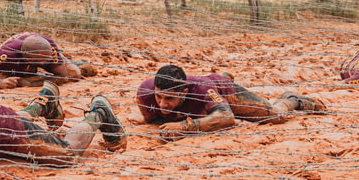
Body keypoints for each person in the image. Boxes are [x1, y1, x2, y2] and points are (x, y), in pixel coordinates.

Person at [136, 64, 326, 140]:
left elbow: (227, 118)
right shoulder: (145, 93)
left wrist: (185, 127)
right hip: (204, 101)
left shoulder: (202, 90)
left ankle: (292, 99)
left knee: (275, 115)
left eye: (169, 98)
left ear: (185, 93)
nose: (161, 104)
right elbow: (153, 122)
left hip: (223, 91)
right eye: (158, 97)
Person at [0, 32, 85, 89]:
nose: (48, 61)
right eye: (44, 60)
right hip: (18, 61)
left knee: (75, 73)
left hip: (38, 52)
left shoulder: (50, 47)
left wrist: (26, 82)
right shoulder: (8, 54)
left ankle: (78, 65)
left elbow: (63, 77)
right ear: (29, 58)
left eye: (49, 58)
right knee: (9, 76)